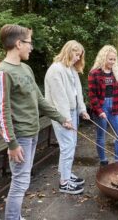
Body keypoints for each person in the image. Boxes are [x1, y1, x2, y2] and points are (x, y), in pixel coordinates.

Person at [0, 24, 72, 220]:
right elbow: (1, 112)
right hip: (19, 138)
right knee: (20, 181)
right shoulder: (3, 72)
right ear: (18, 43)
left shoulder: (26, 68)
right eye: (29, 42)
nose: (32, 47)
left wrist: (61, 119)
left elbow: (40, 100)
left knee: (23, 179)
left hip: (32, 132)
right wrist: (12, 143)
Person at [44, 40, 90, 195]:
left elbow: (77, 91)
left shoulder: (71, 68)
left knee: (72, 144)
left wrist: (82, 109)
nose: (78, 58)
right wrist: (65, 119)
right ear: (69, 51)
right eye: (76, 54)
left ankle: (66, 173)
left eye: (80, 55)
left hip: (72, 111)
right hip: (61, 114)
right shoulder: (56, 69)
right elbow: (59, 97)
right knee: (67, 146)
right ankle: (64, 183)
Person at [88, 45, 118, 166]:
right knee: (101, 135)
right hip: (101, 106)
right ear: (103, 58)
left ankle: (117, 160)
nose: (113, 62)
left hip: (114, 106)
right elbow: (92, 95)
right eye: (110, 59)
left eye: (114, 59)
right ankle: (103, 160)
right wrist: (99, 111)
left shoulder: (115, 72)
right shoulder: (94, 73)